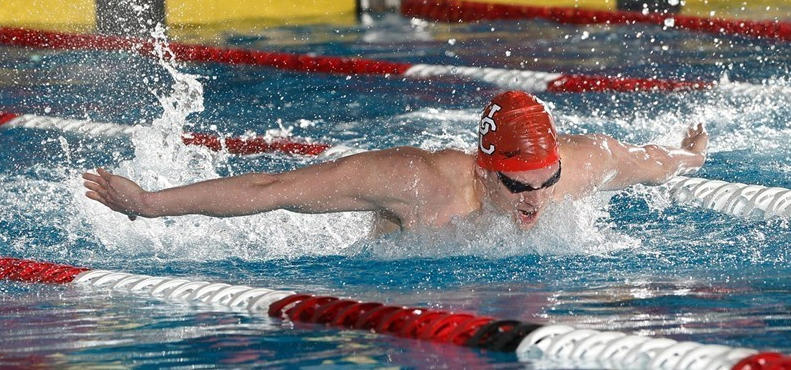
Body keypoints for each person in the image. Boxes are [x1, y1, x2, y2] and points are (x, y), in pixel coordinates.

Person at [83, 90, 707, 234]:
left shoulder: (579, 162)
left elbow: (650, 161)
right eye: (519, 186)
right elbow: (275, 186)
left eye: (548, 183)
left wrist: (688, 154)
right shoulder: (418, 182)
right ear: (485, 169)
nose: (535, 201)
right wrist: (148, 205)